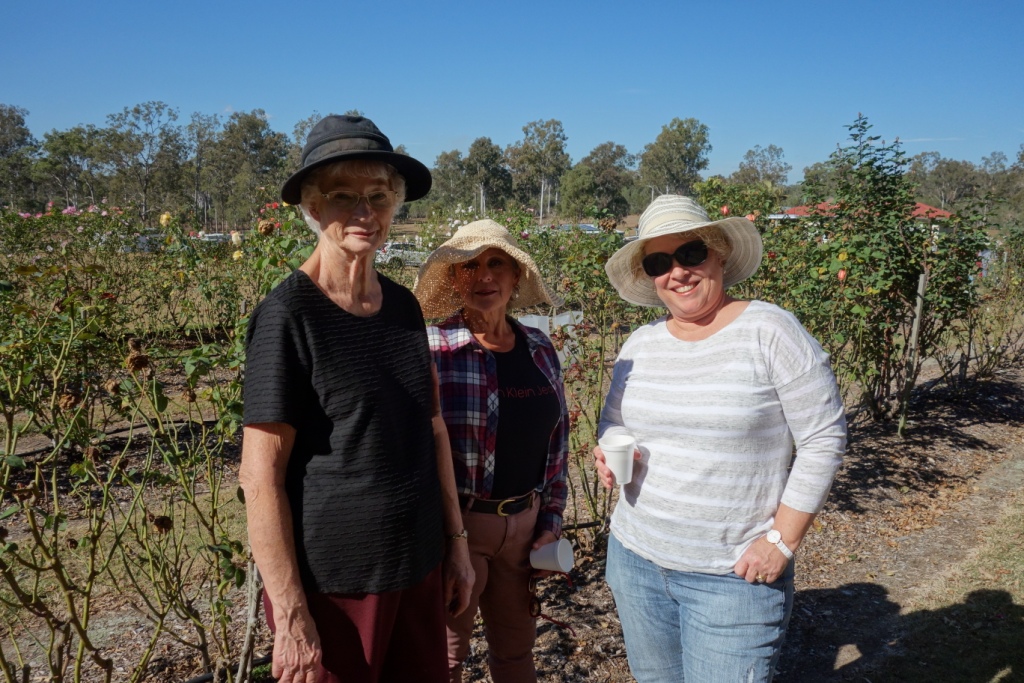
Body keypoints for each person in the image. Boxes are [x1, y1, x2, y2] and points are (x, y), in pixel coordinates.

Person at [239, 115, 473, 683]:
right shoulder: (288, 316)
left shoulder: (402, 307)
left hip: (416, 564)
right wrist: (291, 614)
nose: (364, 212)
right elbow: (261, 476)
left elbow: (433, 428)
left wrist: (455, 544)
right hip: (333, 585)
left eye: (378, 196)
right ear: (313, 208)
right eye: (343, 196)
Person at [594, 194, 847, 683]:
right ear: (649, 275)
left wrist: (782, 540)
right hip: (635, 561)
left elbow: (823, 437)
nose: (678, 272)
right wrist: (609, 450)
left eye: (691, 254)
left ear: (720, 255)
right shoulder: (641, 343)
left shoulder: (769, 330)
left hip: (731, 577)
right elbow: (613, 421)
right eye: (659, 262)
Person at [413, 219, 569, 683]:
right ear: (453, 279)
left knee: (517, 652)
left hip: (524, 530)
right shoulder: (434, 349)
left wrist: (551, 521)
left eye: (496, 263)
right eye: (469, 266)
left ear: (516, 276)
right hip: (458, 531)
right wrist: (443, 537)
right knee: (445, 658)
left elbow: (556, 448)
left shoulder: (539, 348)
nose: (484, 276)